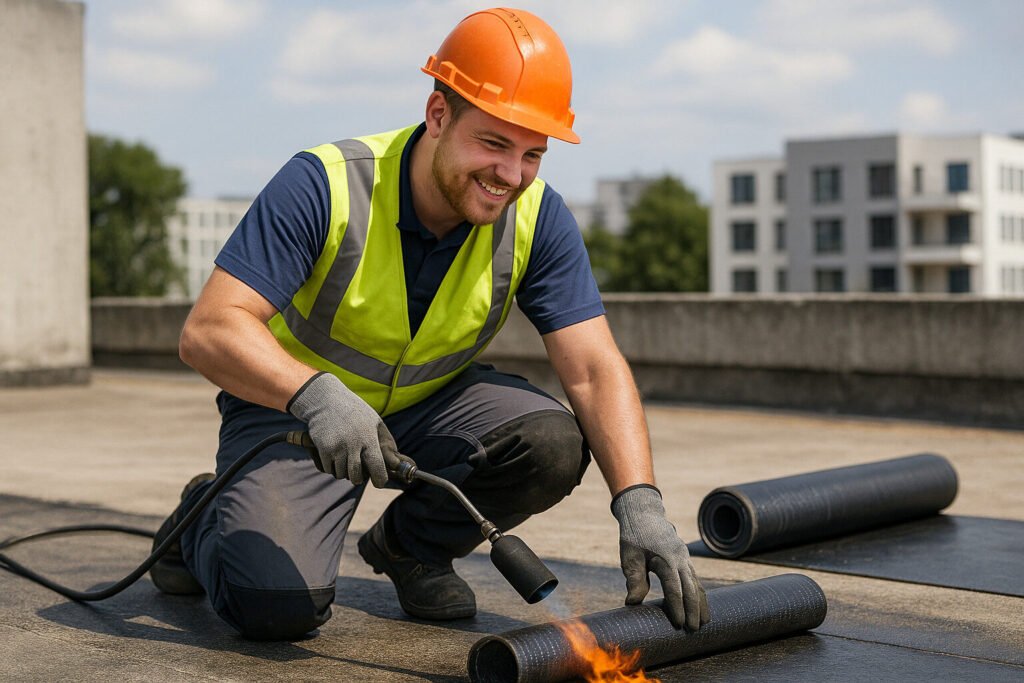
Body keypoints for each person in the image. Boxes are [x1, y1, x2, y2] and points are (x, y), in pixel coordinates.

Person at [152, 7, 710, 641]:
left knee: (553, 443)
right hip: (294, 410)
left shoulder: (537, 219)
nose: (511, 176)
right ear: (438, 115)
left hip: (427, 405)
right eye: (494, 144)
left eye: (533, 154)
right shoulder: (326, 185)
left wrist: (640, 502)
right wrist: (314, 395)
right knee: (275, 608)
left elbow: (592, 367)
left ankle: (408, 547)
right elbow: (210, 329)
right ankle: (200, 518)